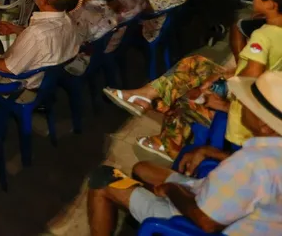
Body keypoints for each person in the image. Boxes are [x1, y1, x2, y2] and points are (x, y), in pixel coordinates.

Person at [105, 0, 282, 160]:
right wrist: (221, 75)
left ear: (271, 3)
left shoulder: (262, 37)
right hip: (263, 98)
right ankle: (146, 95)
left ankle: (169, 144)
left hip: (244, 119)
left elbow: (250, 83)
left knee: (189, 96)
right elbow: (263, 71)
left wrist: (222, 104)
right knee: (194, 62)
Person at [87, 71, 282, 236]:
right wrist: (212, 152)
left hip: (195, 221)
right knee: (142, 169)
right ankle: (141, 210)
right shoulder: (269, 153)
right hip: (212, 198)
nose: (240, 104)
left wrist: (172, 190)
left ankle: (151, 215)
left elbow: (207, 222)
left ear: (264, 125)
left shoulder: (250, 162)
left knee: (102, 179)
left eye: (248, 103)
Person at [0, 0, 81, 90]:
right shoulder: (69, 21)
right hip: (46, 79)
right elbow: (47, 41)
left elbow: (9, 68)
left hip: (18, 83)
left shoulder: (36, 33)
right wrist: (16, 29)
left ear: (44, 1)